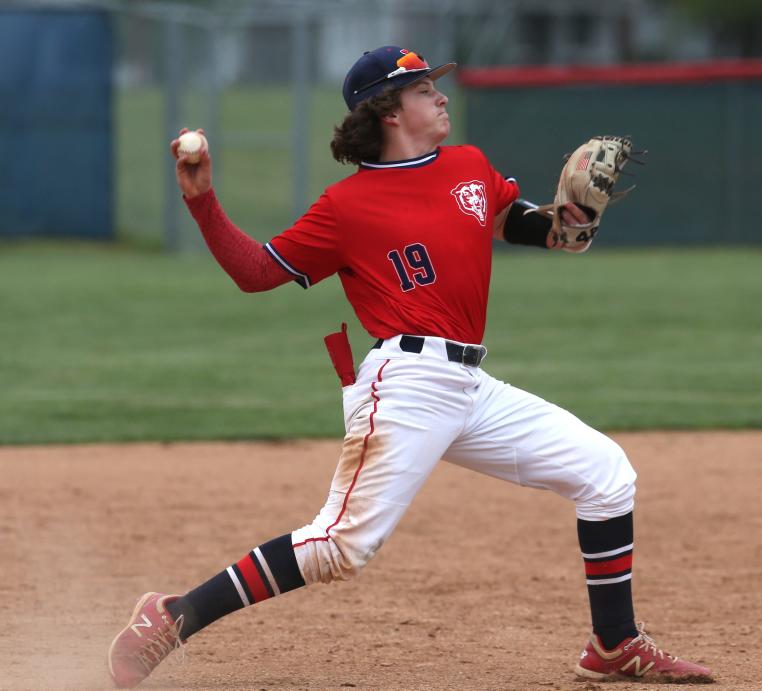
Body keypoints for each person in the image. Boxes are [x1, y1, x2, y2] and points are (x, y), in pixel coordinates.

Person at [106, 46, 713, 687]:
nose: (441, 96)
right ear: (389, 112)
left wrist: (570, 225)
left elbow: (524, 225)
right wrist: (203, 202)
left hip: (470, 385)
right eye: (423, 89)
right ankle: (172, 615)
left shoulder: (469, 167)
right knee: (340, 544)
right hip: (405, 383)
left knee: (606, 475)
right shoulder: (345, 207)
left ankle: (614, 644)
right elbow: (258, 272)